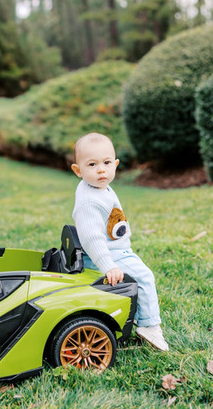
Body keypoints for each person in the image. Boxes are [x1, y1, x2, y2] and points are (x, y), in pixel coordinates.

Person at [71, 132, 169, 351]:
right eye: (92, 164)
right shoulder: (88, 202)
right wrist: (109, 266)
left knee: (142, 273)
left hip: (117, 249)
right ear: (78, 170)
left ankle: (141, 318)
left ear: (115, 164)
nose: (101, 170)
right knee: (144, 276)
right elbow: (91, 238)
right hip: (107, 255)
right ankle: (149, 326)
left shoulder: (98, 185)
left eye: (106, 163)